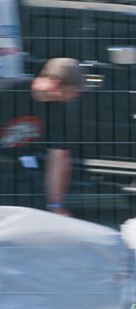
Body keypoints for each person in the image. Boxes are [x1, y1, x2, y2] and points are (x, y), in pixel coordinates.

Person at [31, 57, 83, 216]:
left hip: (20, 168)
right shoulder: (7, 90)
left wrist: (55, 204)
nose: (75, 96)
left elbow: (58, 160)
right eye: (74, 91)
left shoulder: (62, 112)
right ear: (57, 84)